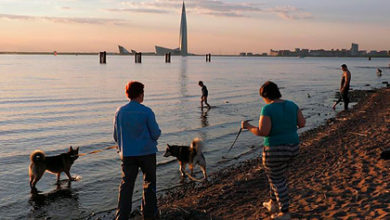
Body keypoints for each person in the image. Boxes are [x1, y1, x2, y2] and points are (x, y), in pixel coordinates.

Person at [241, 81, 305, 220]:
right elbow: (302, 123)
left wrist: (248, 126)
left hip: (275, 149)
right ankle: (272, 203)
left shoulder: (267, 109)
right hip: (293, 147)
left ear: (265, 95)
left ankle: (285, 212)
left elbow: (263, 132)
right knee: (277, 176)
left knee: (277, 179)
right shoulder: (292, 105)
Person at [113, 81, 161, 220]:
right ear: (140, 94)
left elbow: (116, 136)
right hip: (147, 153)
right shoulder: (146, 111)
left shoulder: (119, 112)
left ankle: (121, 216)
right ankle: (149, 214)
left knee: (126, 186)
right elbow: (155, 134)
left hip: (127, 155)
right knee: (149, 183)